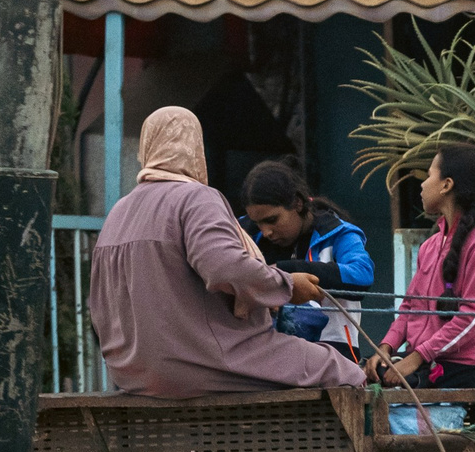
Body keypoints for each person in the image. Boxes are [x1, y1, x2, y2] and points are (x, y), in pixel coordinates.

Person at [88, 108, 364, 396]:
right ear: (195, 148)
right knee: (342, 369)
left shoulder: (119, 211)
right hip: (201, 362)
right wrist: (288, 285)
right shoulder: (195, 198)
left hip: (131, 373)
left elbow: (98, 303)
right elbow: (225, 268)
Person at [366, 143, 475, 390]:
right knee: (365, 376)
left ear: (446, 185)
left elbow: (471, 317)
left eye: (429, 175)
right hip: (422, 360)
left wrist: (418, 356)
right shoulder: (431, 246)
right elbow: (409, 306)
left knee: (387, 390)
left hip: (459, 367)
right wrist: (386, 347)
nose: (422, 184)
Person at [242, 160, 375, 356]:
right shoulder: (246, 233)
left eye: (272, 220)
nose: (266, 231)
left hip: (331, 350)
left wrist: (285, 270)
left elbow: (362, 274)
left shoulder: (338, 233)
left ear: (297, 203)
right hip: (263, 350)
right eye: (258, 223)